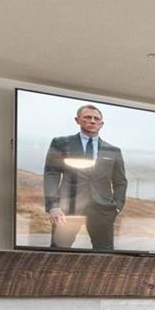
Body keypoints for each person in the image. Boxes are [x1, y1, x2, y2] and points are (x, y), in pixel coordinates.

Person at [43, 104, 127, 250]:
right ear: (77, 120)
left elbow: (120, 182)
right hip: (67, 208)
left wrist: (117, 207)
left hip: (102, 210)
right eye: (87, 117)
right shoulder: (61, 143)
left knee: (104, 256)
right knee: (58, 253)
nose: (92, 121)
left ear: (101, 123)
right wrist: (53, 207)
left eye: (96, 118)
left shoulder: (113, 150)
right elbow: (51, 174)